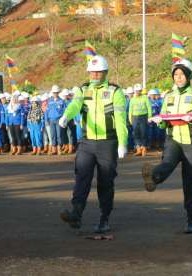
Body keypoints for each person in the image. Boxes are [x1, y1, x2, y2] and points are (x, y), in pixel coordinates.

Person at [59, 55, 128, 233]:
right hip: (87, 143)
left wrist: (122, 143)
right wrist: (66, 115)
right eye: (92, 72)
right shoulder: (83, 89)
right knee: (82, 178)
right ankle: (76, 213)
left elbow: (120, 119)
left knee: (105, 183)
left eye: (98, 72)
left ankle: (104, 218)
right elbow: (75, 104)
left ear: (105, 72)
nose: (95, 75)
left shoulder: (115, 92)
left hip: (108, 143)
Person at [142, 59, 192, 234]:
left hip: (191, 143)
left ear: (189, 76)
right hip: (173, 140)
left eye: (181, 74)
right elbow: (165, 119)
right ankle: (153, 178)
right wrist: (159, 121)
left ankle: (191, 219)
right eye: (175, 75)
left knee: (190, 181)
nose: (178, 78)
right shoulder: (168, 96)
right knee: (167, 164)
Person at [129, 83, 151, 156]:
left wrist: (149, 117)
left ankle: (144, 148)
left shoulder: (145, 97)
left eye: (139, 91)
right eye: (136, 91)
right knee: (136, 133)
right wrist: (130, 119)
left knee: (143, 132)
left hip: (143, 117)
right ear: (134, 91)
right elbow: (130, 110)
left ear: (141, 90)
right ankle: (138, 149)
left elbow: (149, 107)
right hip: (135, 117)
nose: (138, 92)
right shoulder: (132, 99)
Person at [46, 85, 66, 155]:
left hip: (59, 120)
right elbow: (47, 111)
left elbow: (64, 111)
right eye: (54, 92)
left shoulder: (62, 101)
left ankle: (59, 149)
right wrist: (46, 119)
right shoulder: (49, 101)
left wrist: (63, 119)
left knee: (59, 135)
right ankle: (54, 149)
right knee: (53, 135)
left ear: (58, 92)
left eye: (56, 92)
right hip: (51, 120)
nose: (55, 94)